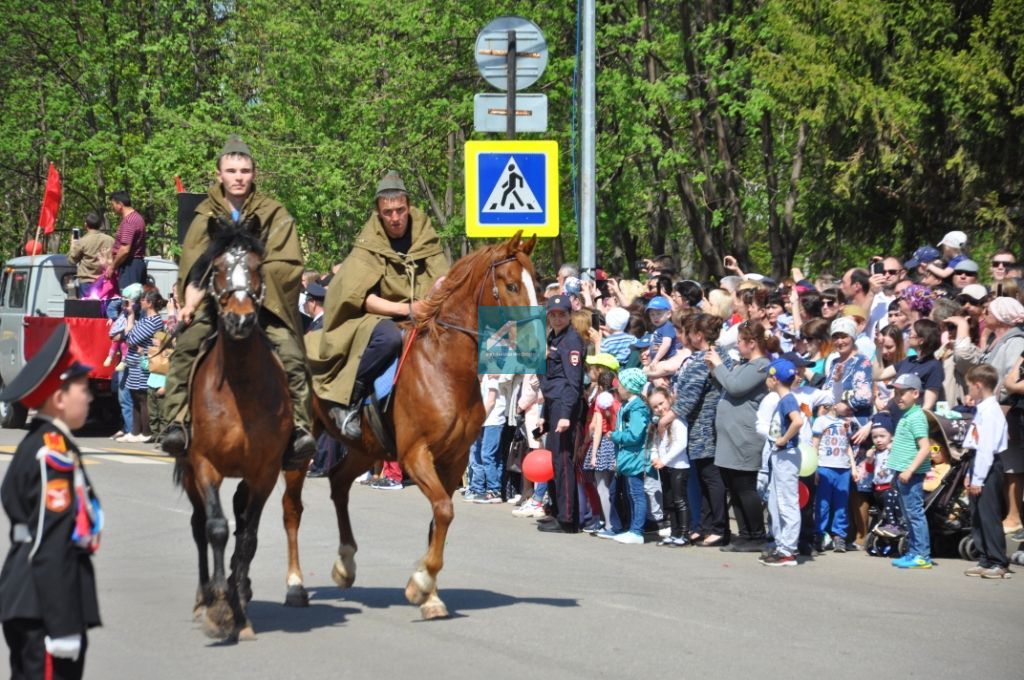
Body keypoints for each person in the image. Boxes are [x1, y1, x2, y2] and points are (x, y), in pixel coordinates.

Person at [161, 135, 316, 466]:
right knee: (187, 346)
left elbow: (286, 265)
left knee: (291, 354)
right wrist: (189, 305)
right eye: (231, 170)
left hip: (263, 304)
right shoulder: (204, 215)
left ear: (253, 174)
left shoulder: (274, 213)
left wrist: (251, 292)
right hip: (215, 305)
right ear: (219, 175)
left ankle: (299, 431)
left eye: (245, 170)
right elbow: (196, 270)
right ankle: (177, 422)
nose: (238, 177)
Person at [310, 171, 449, 439]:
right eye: (388, 213)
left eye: (400, 210)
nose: (395, 218)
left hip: (423, 312)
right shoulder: (368, 245)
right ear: (378, 212)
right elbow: (361, 298)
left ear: (408, 207)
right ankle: (349, 397)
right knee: (389, 339)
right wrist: (406, 310)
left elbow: (441, 276)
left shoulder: (425, 237)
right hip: (374, 317)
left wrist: (437, 292)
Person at [0, 324, 101, 679]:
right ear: (59, 398)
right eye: (82, 388)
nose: (89, 397)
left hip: (31, 596)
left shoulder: (48, 443)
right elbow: (51, 539)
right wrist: (61, 623)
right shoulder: (50, 453)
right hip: (42, 603)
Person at [536, 295, 585, 534]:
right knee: (555, 461)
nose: (557, 318)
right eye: (553, 314)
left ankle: (567, 519)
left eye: (561, 314)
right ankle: (557, 510)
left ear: (569, 315)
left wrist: (565, 414)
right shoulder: (554, 338)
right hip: (554, 405)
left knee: (563, 461)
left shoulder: (571, 341)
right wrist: (545, 413)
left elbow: (572, 383)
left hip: (565, 407)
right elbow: (551, 383)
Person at [962, 364, 1012, 578]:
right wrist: (969, 474)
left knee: (989, 513)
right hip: (977, 463)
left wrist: (978, 479)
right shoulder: (983, 408)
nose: (968, 391)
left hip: (988, 466)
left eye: (969, 387)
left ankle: (999, 562)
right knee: (977, 514)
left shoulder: (991, 411)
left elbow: (986, 448)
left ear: (979, 385)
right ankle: (985, 558)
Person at [888, 373, 934, 569]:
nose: (898, 397)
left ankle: (922, 554)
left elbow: (925, 447)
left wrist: (909, 470)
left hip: (911, 475)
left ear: (915, 393)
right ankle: (914, 551)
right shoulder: (907, 415)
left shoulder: (916, 416)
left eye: (902, 393)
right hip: (903, 473)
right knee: (908, 515)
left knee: (914, 514)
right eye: (896, 393)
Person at [760, 358, 804, 566]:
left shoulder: (787, 400)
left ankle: (788, 550)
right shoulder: (783, 399)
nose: (766, 380)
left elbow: (798, 421)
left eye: (769, 377)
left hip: (786, 453)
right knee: (777, 501)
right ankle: (781, 546)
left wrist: (783, 439)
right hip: (781, 455)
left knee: (787, 503)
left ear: (775, 379)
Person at [610, 367, 652, 545]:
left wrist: (614, 435)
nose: (617, 386)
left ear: (629, 386)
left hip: (635, 457)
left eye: (620, 383)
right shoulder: (629, 405)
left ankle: (637, 531)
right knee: (631, 493)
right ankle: (632, 529)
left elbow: (635, 435)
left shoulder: (637, 408)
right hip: (628, 457)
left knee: (636, 493)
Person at [648, 386, 690, 547]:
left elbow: (680, 444)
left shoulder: (677, 421)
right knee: (669, 502)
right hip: (664, 466)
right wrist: (655, 458)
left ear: (669, 399)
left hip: (679, 466)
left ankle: (684, 534)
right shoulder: (657, 424)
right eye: (655, 407)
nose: (659, 408)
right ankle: (674, 533)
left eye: (661, 403)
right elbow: (653, 445)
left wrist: (664, 460)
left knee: (680, 501)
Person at [107, 190, 147, 289]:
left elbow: (125, 249)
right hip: (135, 264)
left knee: (128, 299)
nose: (113, 208)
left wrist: (112, 267)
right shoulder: (137, 217)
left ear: (120, 204)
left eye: (113, 205)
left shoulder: (129, 221)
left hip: (130, 266)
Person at [68, 212, 114, 297]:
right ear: (100, 225)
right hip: (106, 281)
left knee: (87, 308)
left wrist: (72, 245)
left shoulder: (82, 241)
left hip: (86, 281)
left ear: (86, 225)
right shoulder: (110, 240)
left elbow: (72, 260)